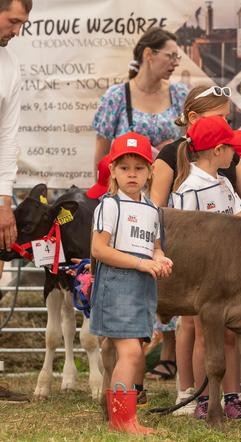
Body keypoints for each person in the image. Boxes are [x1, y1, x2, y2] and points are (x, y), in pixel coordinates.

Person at [151, 85, 241, 416]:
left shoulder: (226, 168)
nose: (227, 127)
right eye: (221, 119)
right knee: (195, 327)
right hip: (195, 265)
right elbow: (162, 213)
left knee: (223, 330)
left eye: (228, 120)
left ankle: (228, 396)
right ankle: (194, 393)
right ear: (193, 118)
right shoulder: (173, 158)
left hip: (226, 266)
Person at [170, 116, 241, 420]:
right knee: (205, 335)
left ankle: (232, 396)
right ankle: (205, 399)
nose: (235, 153)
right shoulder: (190, 188)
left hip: (230, 274)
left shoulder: (224, 182)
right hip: (201, 277)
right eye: (231, 147)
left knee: (229, 334)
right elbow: (183, 233)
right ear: (218, 150)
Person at [89, 132, 173, 434]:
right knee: (132, 353)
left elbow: (156, 246)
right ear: (112, 170)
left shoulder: (152, 210)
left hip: (143, 284)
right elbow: (99, 249)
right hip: (118, 281)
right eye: (124, 167)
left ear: (150, 171)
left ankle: (121, 416)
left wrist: (161, 258)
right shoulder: (110, 205)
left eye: (139, 168)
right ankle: (123, 420)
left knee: (133, 348)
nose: (132, 174)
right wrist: (141, 263)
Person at [92, 27, 188, 171]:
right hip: (128, 190)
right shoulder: (117, 96)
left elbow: (192, 144)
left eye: (177, 57)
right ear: (148, 54)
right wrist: (102, 190)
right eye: (171, 56)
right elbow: (102, 154)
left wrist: (174, 148)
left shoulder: (179, 94)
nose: (176, 62)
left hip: (170, 187)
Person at [0, 0, 31, 404]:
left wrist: (4, 198)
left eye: (22, 24)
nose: (17, 31)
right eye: (13, 21)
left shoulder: (10, 67)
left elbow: (8, 138)